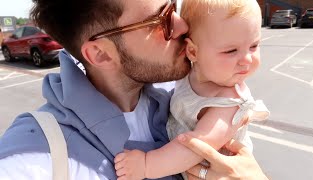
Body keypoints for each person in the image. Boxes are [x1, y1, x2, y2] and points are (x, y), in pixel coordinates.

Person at [0, 0, 266, 179]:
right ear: (101, 55)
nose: (182, 26)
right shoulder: (33, 155)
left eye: (174, 5)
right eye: (160, 20)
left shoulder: (175, 90)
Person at [114, 0, 270, 179]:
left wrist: (147, 164)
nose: (247, 59)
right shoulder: (188, 74)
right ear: (193, 52)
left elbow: (195, 147)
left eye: (254, 46)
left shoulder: (230, 102)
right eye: (231, 51)